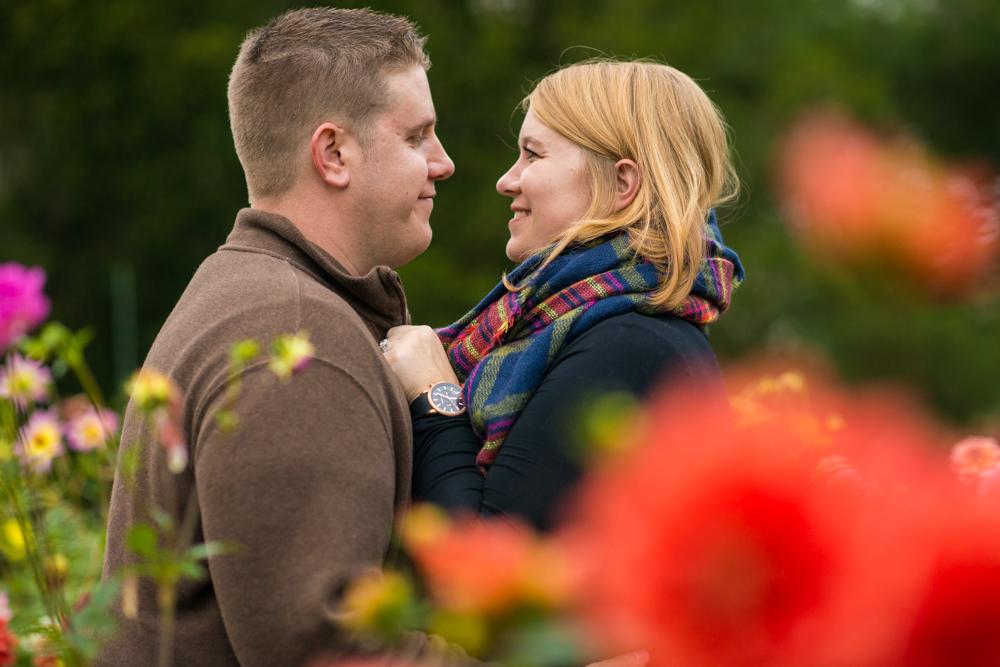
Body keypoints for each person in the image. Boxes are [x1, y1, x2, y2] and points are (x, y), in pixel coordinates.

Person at [99, 8, 456, 666]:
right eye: (418, 137)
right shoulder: (296, 337)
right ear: (333, 154)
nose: (444, 163)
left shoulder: (247, 294)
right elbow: (325, 646)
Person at [384, 59, 744, 531]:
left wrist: (435, 396)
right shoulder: (613, 327)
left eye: (533, 155)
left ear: (622, 185)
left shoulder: (631, 344)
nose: (506, 181)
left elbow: (486, 563)